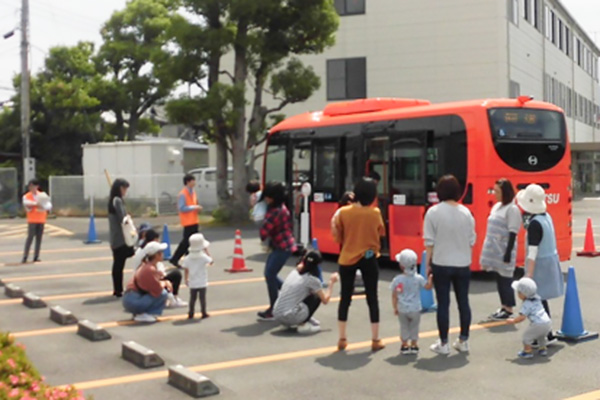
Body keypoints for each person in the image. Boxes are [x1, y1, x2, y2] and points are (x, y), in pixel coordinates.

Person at [424, 175, 475, 355]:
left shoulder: (433, 212)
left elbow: (429, 242)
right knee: (463, 302)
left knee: (443, 303)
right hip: (463, 263)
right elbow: (472, 239)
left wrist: (427, 265)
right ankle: (464, 340)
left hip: (441, 262)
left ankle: (443, 343)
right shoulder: (466, 212)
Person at [333, 177, 386, 352]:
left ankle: (342, 338)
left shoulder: (343, 212)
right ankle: (375, 339)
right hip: (369, 256)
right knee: (372, 297)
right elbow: (381, 233)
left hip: (347, 257)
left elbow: (337, 236)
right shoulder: (375, 213)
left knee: (345, 298)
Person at [515, 184, 564, 345]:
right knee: (541, 301)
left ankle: (543, 335)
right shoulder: (546, 217)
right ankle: (546, 334)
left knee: (536, 302)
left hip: (539, 266)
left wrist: (528, 274)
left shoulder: (535, 224)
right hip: (550, 261)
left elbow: (533, 252)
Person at [480, 178, 522, 320]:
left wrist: (508, 252)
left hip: (504, 248)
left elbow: (513, 232)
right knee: (499, 279)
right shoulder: (497, 206)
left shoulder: (512, 209)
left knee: (506, 279)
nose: (495, 194)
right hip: (494, 249)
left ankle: (509, 308)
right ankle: (503, 306)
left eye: (497, 191)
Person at [257, 181, 297, 321]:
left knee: (270, 274)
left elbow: (264, 232)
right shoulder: (282, 207)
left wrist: (259, 219)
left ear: (274, 197)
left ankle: (275, 308)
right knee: (270, 274)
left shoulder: (275, 211)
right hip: (284, 246)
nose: (266, 200)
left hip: (282, 247)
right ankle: (290, 295)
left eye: (268, 197)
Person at [273, 250, 339, 333]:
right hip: (289, 316)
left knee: (304, 293)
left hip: (277, 313)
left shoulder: (294, 272)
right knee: (316, 297)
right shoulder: (312, 280)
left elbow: (301, 265)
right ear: (317, 265)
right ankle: (303, 325)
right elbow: (325, 300)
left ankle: (295, 321)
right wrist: (331, 282)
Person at [391, 249, 433, 355]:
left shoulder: (397, 280)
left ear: (401, 266)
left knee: (404, 326)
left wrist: (395, 307)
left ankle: (404, 345)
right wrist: (430, 279)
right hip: (415, 308)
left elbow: (394, 295)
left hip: (402, 309)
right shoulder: (418, 278)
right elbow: (427, 287)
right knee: (414, 326)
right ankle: (414, 345)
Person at [132, 228, 187, 308]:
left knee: (168, 277)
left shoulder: (140, 250)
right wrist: (164, 280)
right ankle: (171, 299)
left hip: (140, 278)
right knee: (176, 275)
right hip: (146, 280)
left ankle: (171, 298)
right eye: (158, 239)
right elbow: (156, 273)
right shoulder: (149, 252)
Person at [122, 242, 171, 323]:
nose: (163, 254)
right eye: (161, 252)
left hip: (131, 298)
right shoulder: (150, 269)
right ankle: (145, 314)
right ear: (156, 255)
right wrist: (165, 283)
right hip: (133, 301)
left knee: (161, 292)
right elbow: (157, 290)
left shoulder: (146, 265)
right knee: (163, 293)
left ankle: (141, 313)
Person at [508, 277, 552, 359]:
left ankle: (527, 352)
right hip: (547, 322)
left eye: (518, 292)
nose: (517, 294)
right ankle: (543, 349)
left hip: (537, 324)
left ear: (523, 294)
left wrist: (513, 321)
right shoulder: (538, 299)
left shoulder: (526, 304)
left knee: (526, 337)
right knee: (541, 336)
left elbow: (522, 317)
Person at [108, 178, 134, 297]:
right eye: (124, 188)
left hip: (115, 237)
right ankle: (118, 289)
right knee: (120, 263)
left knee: (118, 263)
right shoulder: (117, 201)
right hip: (120, 237)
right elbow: (122, 219)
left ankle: (118, 289)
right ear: (119, 188)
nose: (125, 191)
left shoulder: (113, 200)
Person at [170, 174, 203, 268]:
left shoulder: (193, 192)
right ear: (188, 182)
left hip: (194, 220)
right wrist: (194, 207)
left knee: (192, 242)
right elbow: (181, 208)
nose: (195, 182)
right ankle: (175, 258)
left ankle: (188, 259)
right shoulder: (183, 194)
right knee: (186, 242)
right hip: (188, 221)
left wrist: (196, 208)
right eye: (193, 180)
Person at [21, 179, 52, 263]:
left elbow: (48, 205)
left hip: (41, 219)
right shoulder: (27, 196)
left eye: (33, 186)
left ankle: (36, 256)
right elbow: (26, 203)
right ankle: (25, 256)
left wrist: (40, 205)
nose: (31, 188)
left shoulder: (42, 195)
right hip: (32, 220)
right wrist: (36, 204)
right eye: (30, 186)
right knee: (30, 237)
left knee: (39, 238)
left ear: (37, 187)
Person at [184, 233, 213, 319]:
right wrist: (207, 251)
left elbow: (186, 269)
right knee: (202, 298)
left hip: (192, 282)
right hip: (202, 281)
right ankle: (203, 312)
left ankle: (191, 313)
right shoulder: (203, 256)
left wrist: (186, 279)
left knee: (192, 299)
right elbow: (211, 261)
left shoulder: (188, 258)